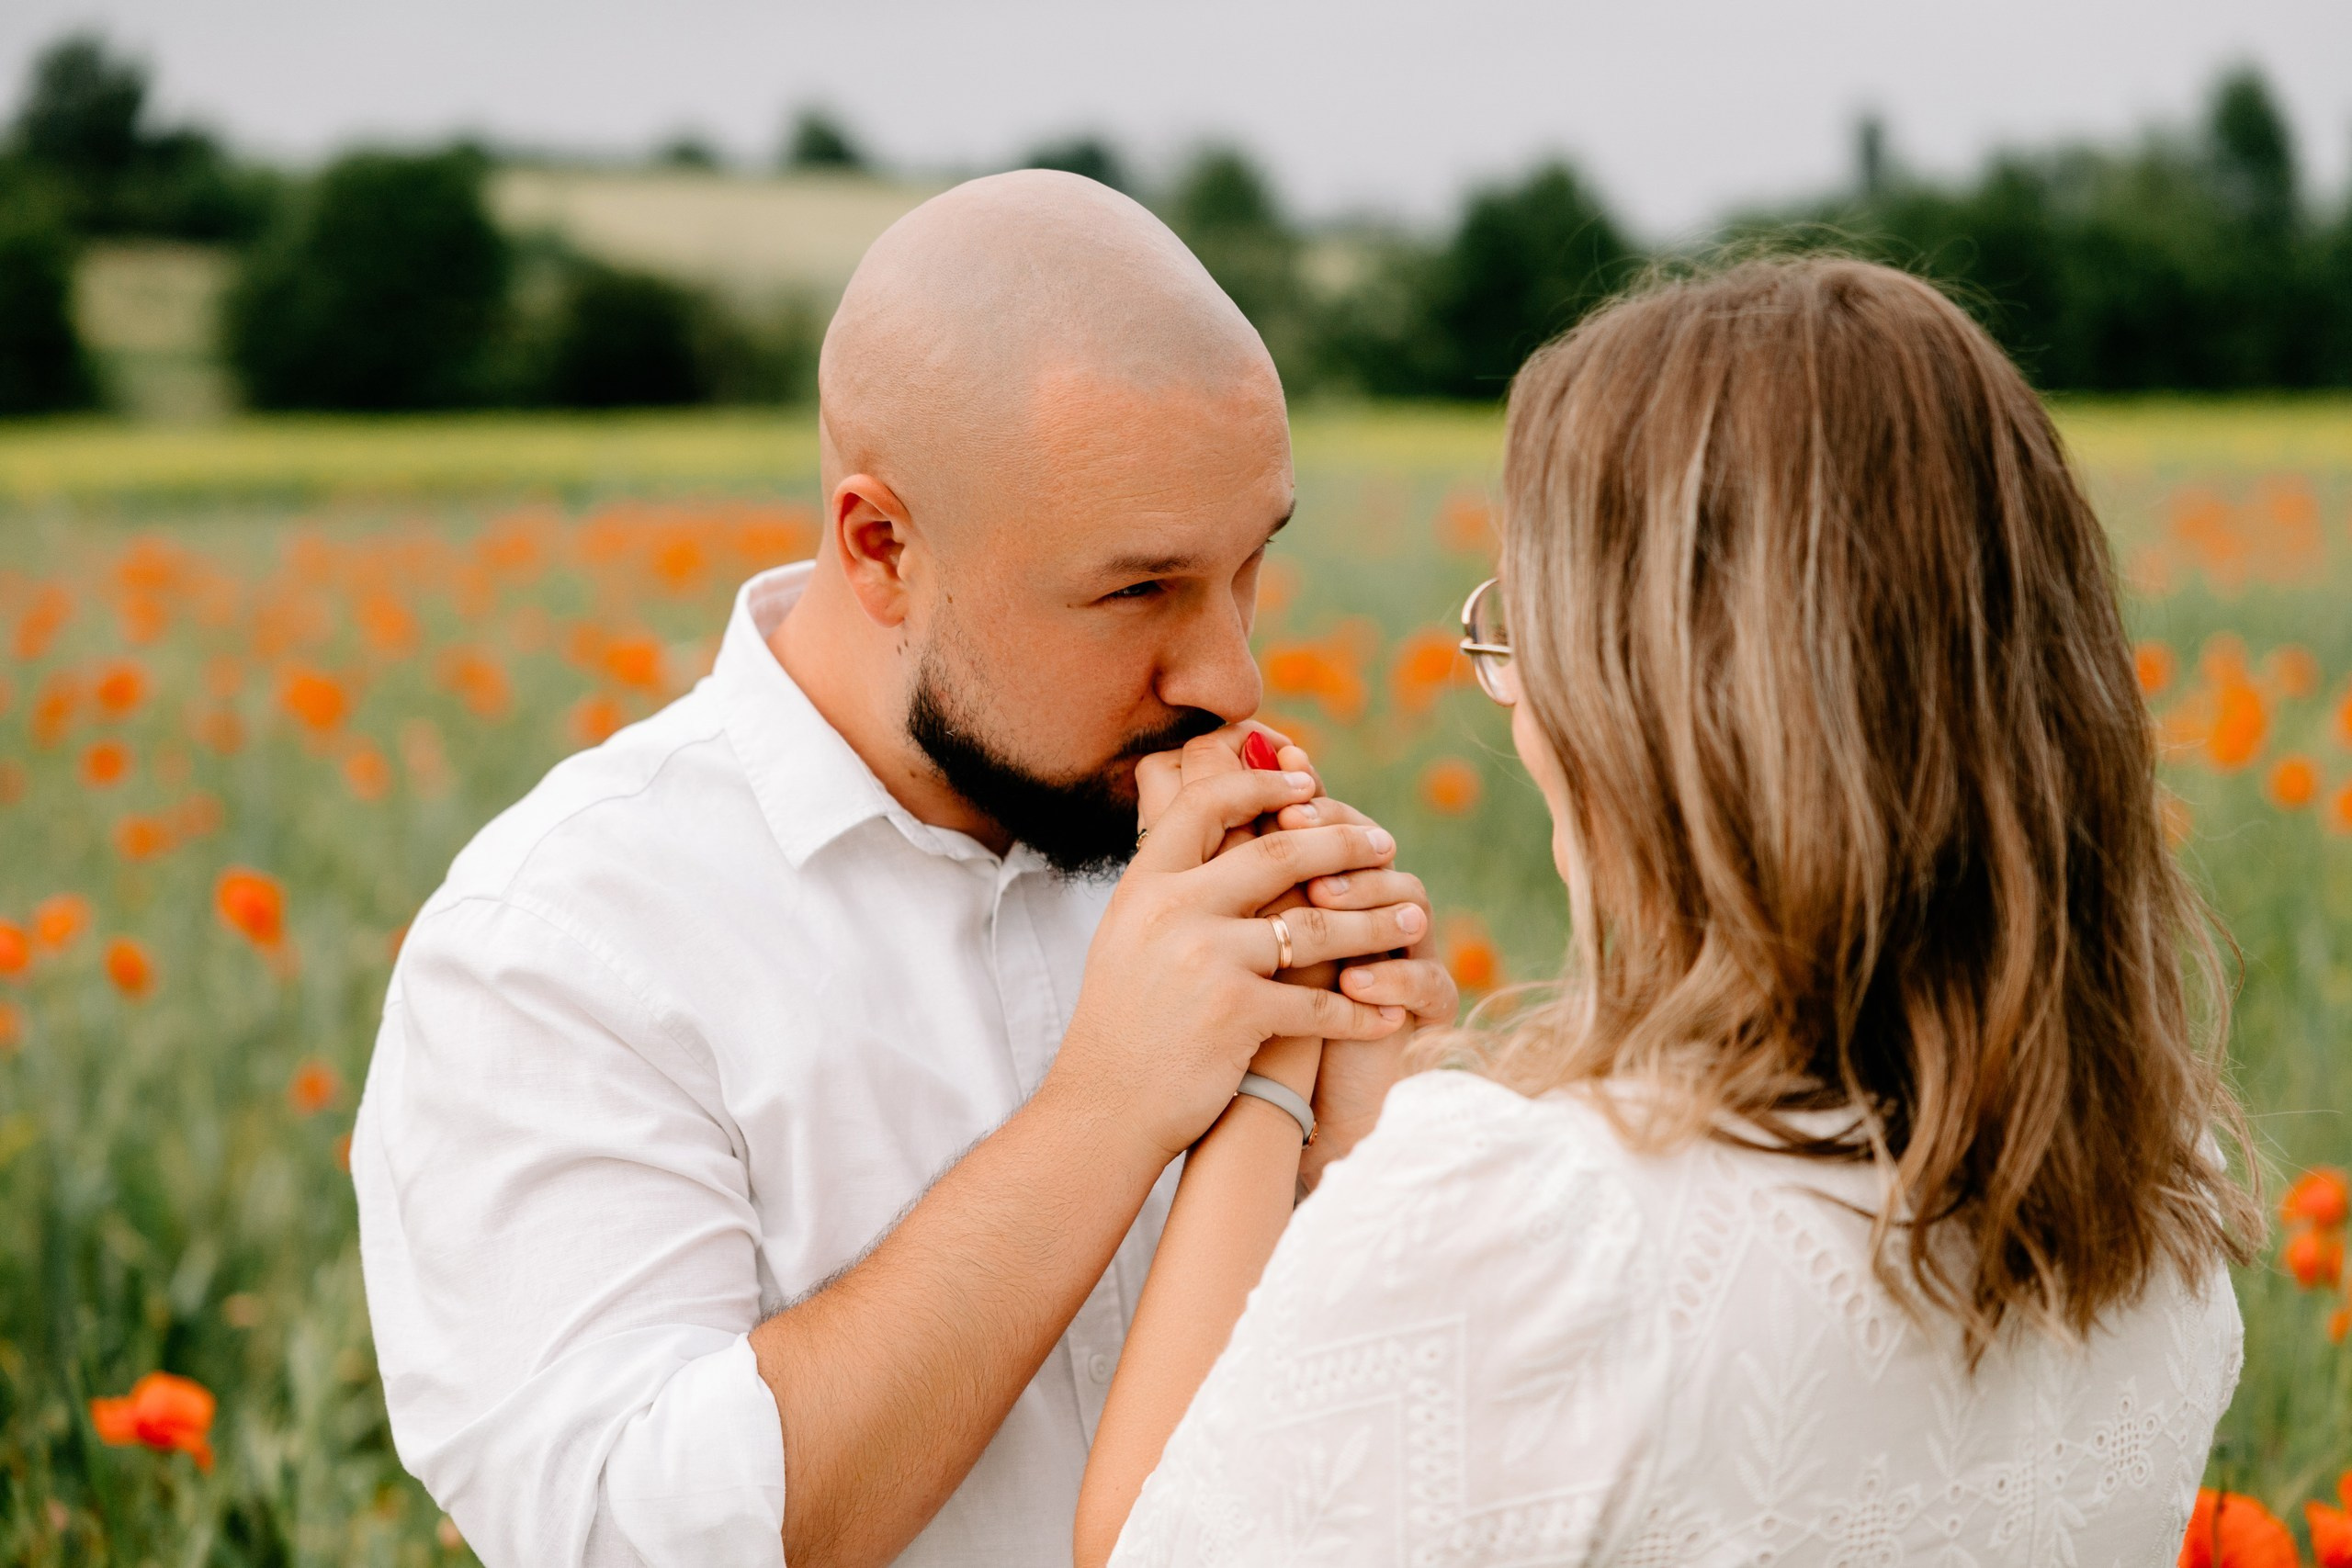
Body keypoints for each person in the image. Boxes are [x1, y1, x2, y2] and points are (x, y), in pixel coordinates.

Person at [1073, 257, 2259, 1567]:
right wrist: (1372, 1168)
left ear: (1658, 711)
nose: (1515, 701)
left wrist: (1266, 1066)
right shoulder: (2160, 1198)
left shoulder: (1540, 1229)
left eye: (1530, 632)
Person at [350, 170, 1457, 1568]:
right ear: (882, 548)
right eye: (1140, 591)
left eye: (1253, 566)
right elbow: (627, 1536)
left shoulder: (1208, 864)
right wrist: (1109, 1107)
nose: (1230, 671)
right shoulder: (562, 943)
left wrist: (1381, 1160)